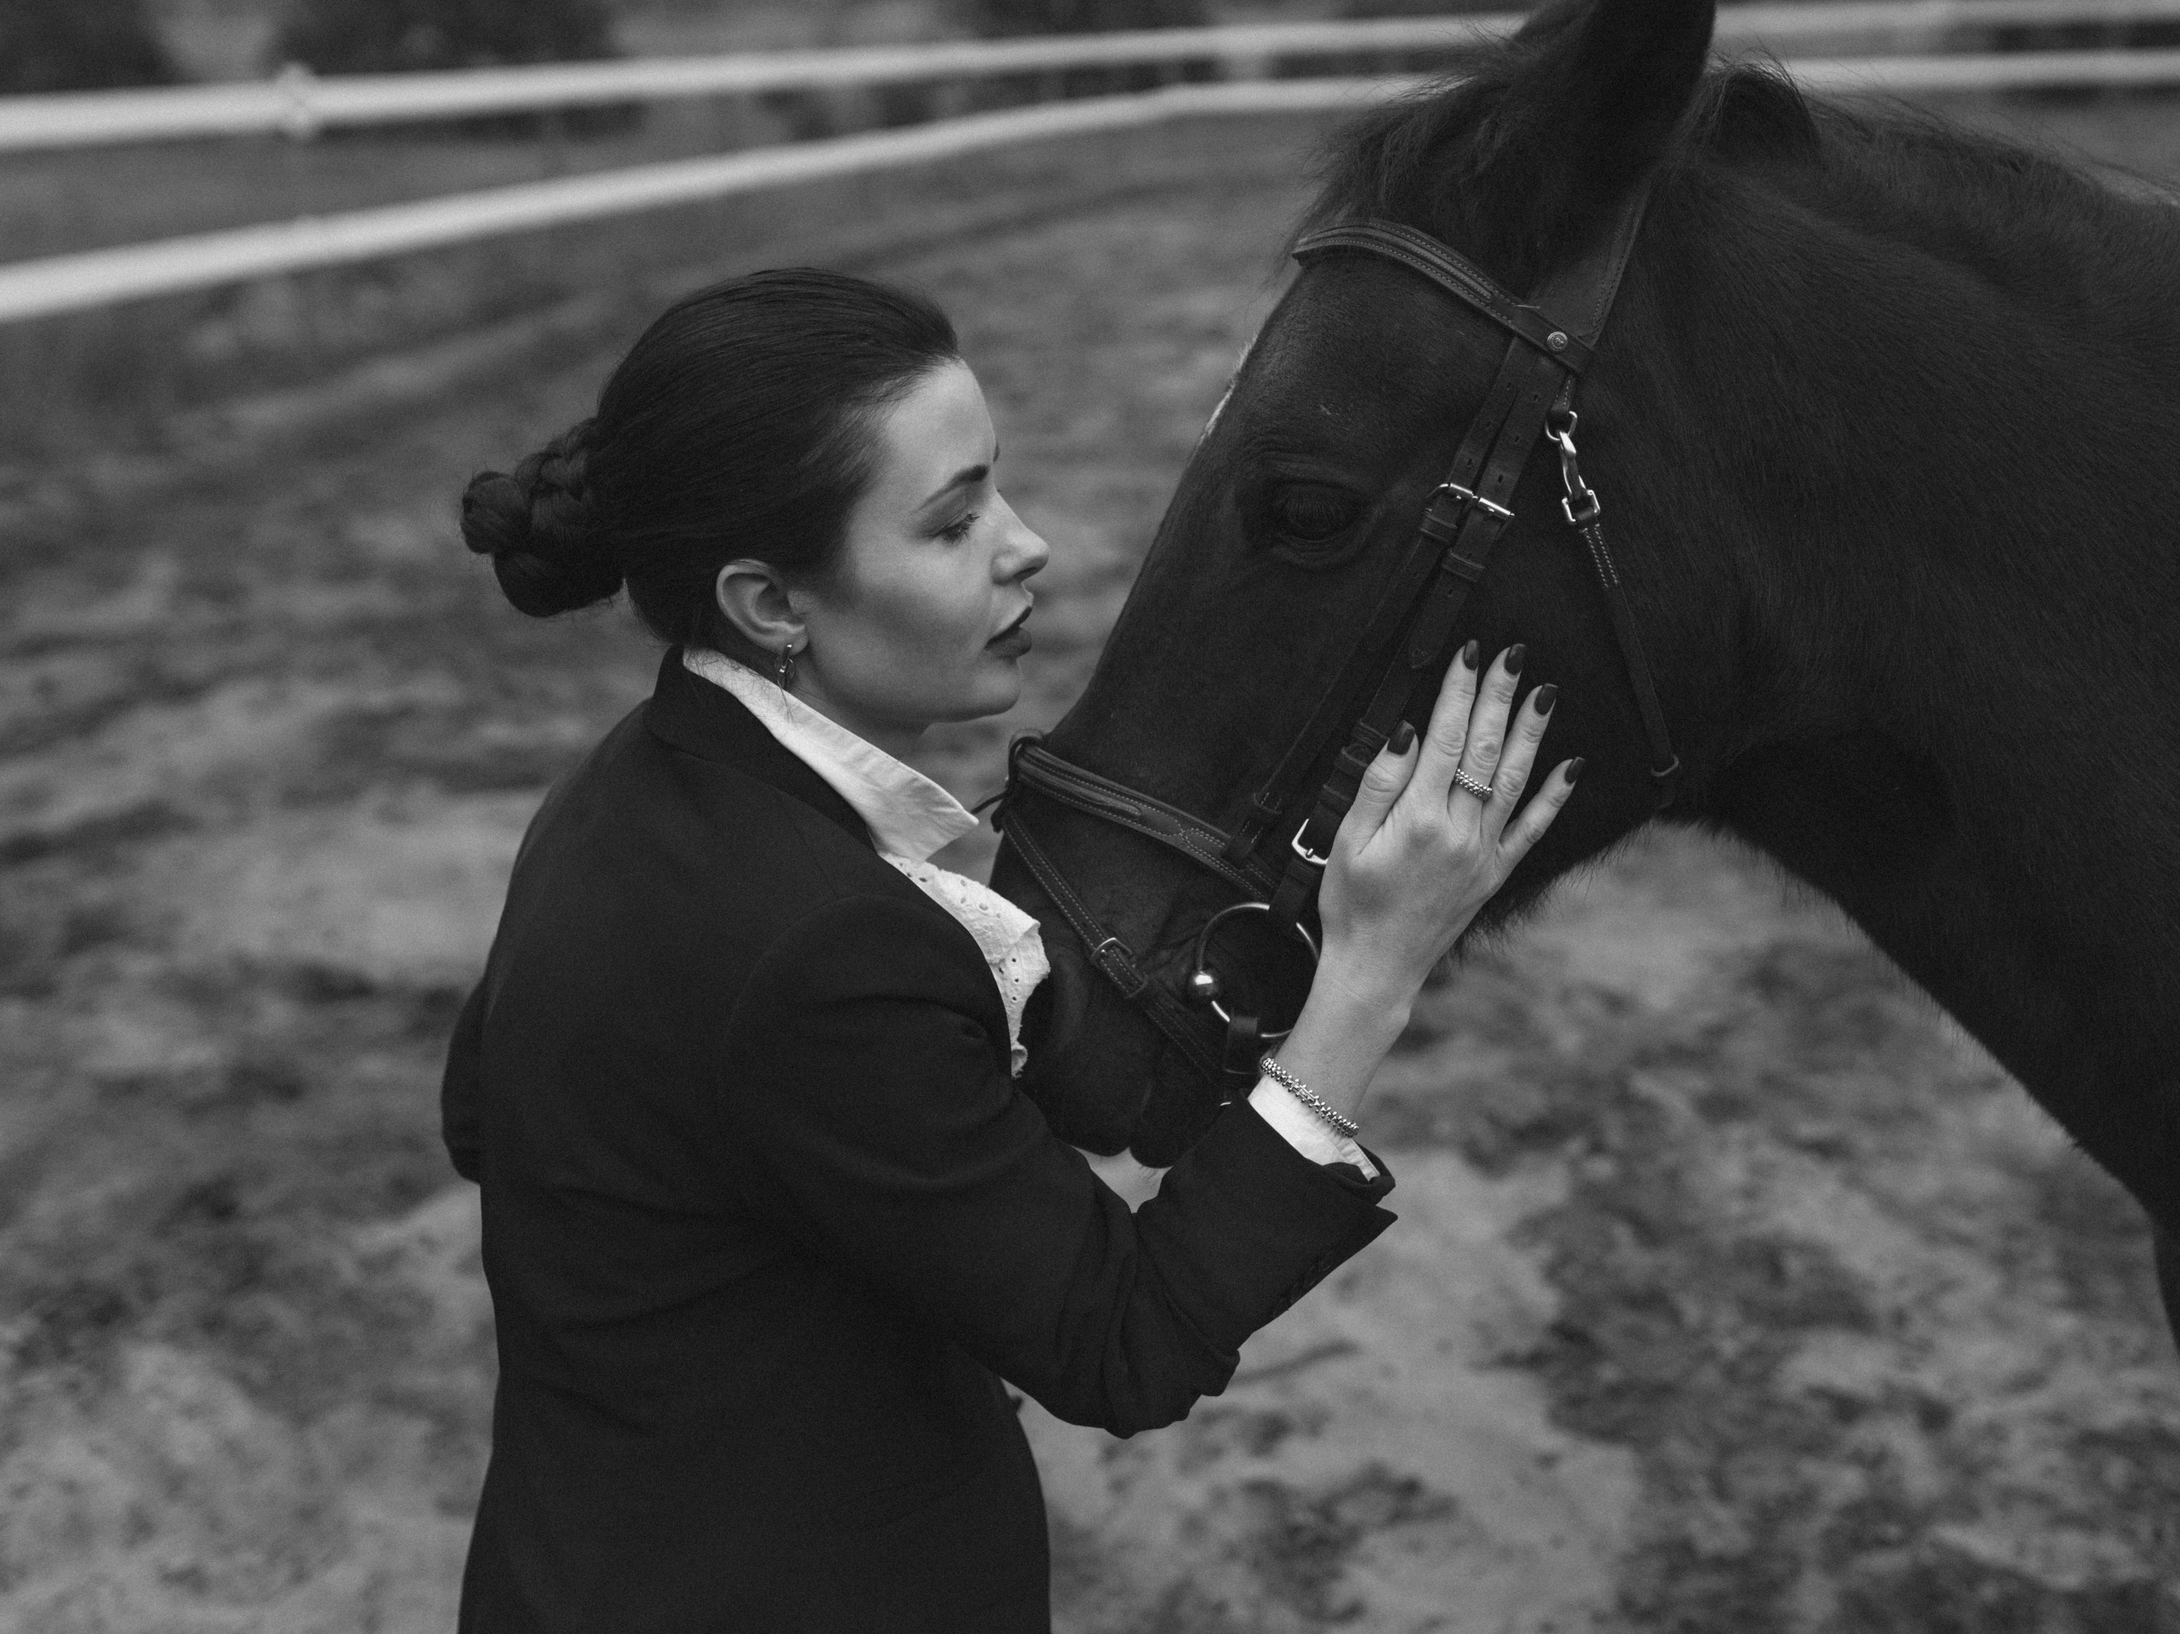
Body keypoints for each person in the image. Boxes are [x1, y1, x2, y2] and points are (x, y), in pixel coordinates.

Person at [444, 268, 1581, 1633]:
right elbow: (1123, 1344)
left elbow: (487, 1116)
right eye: (952, 521)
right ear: (771, 604)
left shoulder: (622, 794)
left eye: (997, 490)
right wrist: (1375, 968)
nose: (1024, 544)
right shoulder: (819, 945)